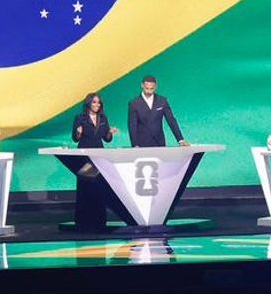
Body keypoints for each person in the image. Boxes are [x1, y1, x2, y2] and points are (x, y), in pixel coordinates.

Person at [72, 92, 119, 231]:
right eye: (94, 102)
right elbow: (75, 138)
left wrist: (110, 132)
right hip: (85, 155)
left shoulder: (103, 118)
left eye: (98, 102)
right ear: (88, 103)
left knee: (99, 187)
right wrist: (78, 133)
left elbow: (106, 138)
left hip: (99, 155)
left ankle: (99, 220)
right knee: (85, 187)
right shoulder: (80, 118)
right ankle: (83, 221)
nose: (97, 105)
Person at [127, 75, 189, 148]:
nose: (149, 91)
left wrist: (180, 139)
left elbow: (171, 120)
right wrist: (135, 144)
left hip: (159, 143)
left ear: (156, 87)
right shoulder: (134, 103)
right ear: (142, 85)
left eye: (152, 89)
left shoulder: (162, 101)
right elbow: (132, 126)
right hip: (141, 144)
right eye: (147, 88)